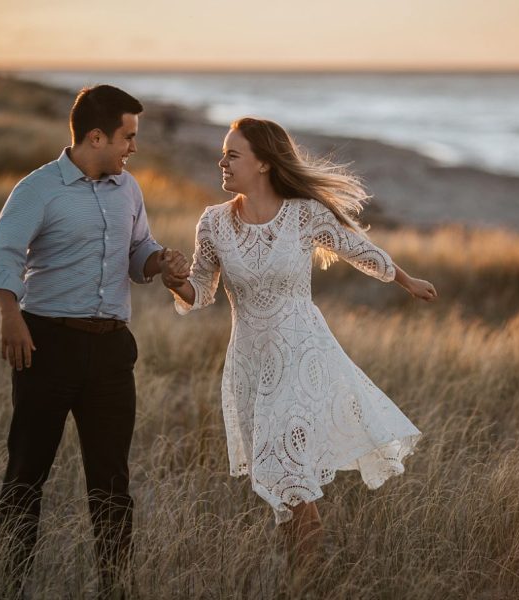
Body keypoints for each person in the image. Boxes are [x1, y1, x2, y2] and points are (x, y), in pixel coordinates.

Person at [162, 117, 436, 566]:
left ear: (265, 163)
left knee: (289, 477)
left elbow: (357, 249)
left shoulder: (304, 214)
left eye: (233, 154)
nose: (222, 161)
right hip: (251, 365)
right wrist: (175, 281)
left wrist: (406, 280)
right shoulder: (212, 223)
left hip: (302, 359)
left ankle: (306, 581)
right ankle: (298, 577)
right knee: (283, 493)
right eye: (223, 153)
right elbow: (201, 293)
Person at [0, 84, 189, 598]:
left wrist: (160, 262)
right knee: (27, 474)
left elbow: (139, 250)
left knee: (113, 484)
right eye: (127, 137)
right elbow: (4, 255)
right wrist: (9, 314)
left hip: (112, 353)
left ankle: (115, 588)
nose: (132, 148)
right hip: (45, 347)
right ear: (96, 136)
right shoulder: (38, 188)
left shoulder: (129, 190)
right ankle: (13, 584)